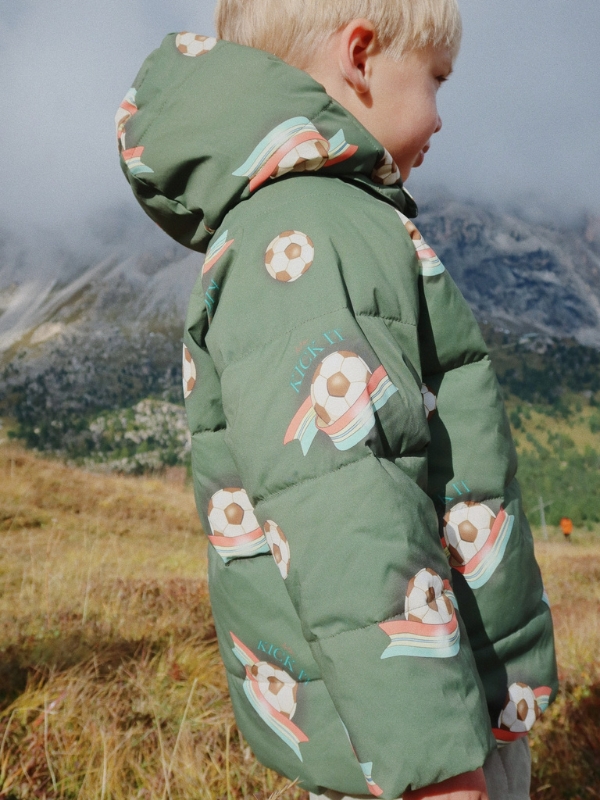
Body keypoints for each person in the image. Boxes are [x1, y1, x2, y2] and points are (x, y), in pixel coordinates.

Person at [117, 2, 558, 798]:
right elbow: (349, 510)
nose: (442, 116)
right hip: (419, 742)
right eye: (436, 79)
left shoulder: (307, 219)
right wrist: (436, 767)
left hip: (403, 725)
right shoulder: (315, 228)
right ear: (359, 57)